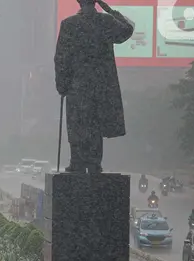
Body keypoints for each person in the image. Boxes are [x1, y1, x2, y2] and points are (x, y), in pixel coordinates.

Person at [54, 0, 134, 173]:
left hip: (78, 85)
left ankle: (76, 161)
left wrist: (62, 83)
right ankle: (94, 162)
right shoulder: (105, 21)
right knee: (95, 126)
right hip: (100, 85)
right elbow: (127, 29)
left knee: (76, 123)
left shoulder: (69, 24)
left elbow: (61, 57)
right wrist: (109, 9)